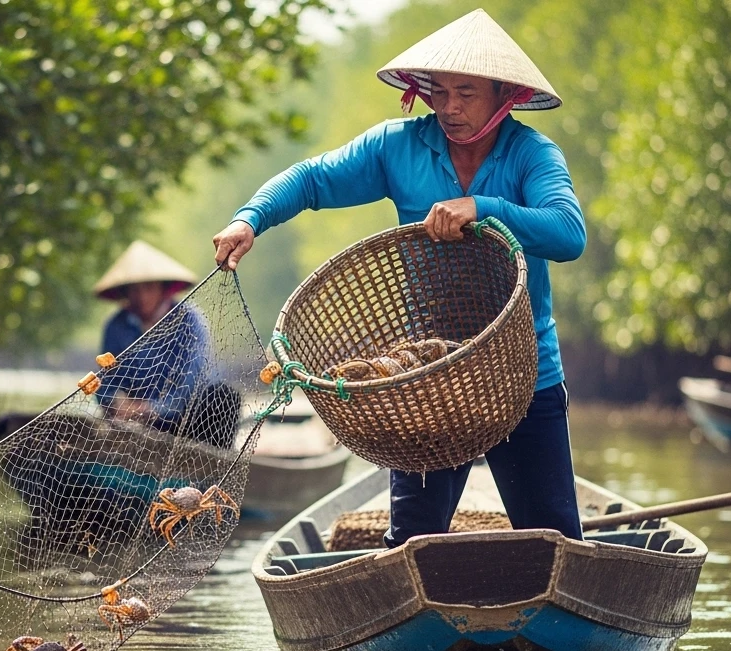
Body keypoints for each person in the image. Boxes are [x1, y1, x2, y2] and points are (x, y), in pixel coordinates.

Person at [210, 9, 587, 547]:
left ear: (504, 95)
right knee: (411, 542)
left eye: (467, 92)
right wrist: (251, 218)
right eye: (439, 91)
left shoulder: (532, 155)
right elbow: (313, 178)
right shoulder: (398, 146)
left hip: (521, 371)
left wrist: (482, 207)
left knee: (554, 539)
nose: (450, 107)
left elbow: (569, 234)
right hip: (427, 374)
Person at [93, 241, 239, 448]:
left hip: (182, 420)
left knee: (224, 397)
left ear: (163, 289)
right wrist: (117, 403)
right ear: (125, 293)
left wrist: (149, 409)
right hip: (132, 425)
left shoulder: (189, 320)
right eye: (134, 290)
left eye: (148, 287)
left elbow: (191, 380)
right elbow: (106, 380)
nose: (142, 297)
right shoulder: (116, 326)